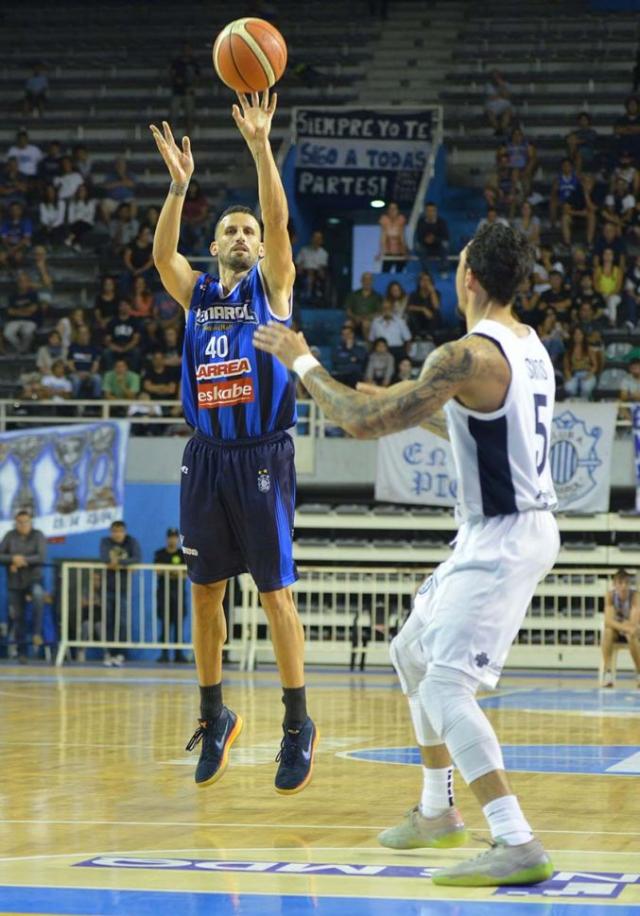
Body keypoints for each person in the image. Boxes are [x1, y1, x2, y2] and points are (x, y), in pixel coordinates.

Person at [254, 221, 560, 886]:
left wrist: (302, 360)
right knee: (410, 652)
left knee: (447, 684)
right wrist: (404, 406)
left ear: (469, 278)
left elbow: (359, 425)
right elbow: (480, 428)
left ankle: (515, 838)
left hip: (505, 535)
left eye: (456, 265)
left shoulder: (465, 355)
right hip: (499, 528)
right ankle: (436, 812)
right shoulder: (527, 346)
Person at [149, 90, 317, 795]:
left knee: (276, 595)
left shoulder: (270, 289)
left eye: (248, 229)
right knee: (204, 594)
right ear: (213, 245)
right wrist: (179, 187)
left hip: (262, 456)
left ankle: (296, 723)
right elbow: (161, 256)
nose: (245, 236)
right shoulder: (198, 294)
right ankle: (215, 715)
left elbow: (279, 222)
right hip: (206, 457)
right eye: (232, 231)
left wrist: (259, 146)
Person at [0, 511, 47, 663]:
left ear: (31, 522)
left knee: (39, 594)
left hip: (34, 579)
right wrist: (12, 558)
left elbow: (41, 556)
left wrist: (22, 560)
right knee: (18, 617)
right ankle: (22, 652)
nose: (22, 525)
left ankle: (37, 632)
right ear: (15, 523)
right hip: (14, 582)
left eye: (25, 522)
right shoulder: (9, 535)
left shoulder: (38, 535)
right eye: (19, 522)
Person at [99, 521, 142, 667]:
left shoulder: (131, 542)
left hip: (123, 589)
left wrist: (118, 563)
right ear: (111, 532)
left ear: (124, 531)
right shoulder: (105, 542)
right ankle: (109, 653)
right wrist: (126, 565)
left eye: (120, 531)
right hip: (108, 588)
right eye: (114, 531)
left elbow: (137, 558)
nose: (117, 534)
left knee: (122, 622)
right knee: (108, 621)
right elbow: (104, 558)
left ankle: (120, 653)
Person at [154, 528, 188, 664]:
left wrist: (170, 571)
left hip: (178, 593)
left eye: (175, 537)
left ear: (178, 539)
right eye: (170, 537)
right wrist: (175, 572)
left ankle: (179, 654)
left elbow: (186, 574)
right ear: (166, 538)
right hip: (163, 593)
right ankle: (164, 653)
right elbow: (158, 571)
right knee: (165, 624)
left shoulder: (183, 554)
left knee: (179, 623)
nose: (172, 540)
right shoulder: (160, 553)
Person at [601, 569, 640, 688]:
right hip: (619, 629)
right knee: (607, 632)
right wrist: (623, 626)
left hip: (632, 631)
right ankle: (608, 673)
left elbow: (633, 624)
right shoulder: (610, 596)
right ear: (614, 584)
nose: (623, 587)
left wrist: (622, 625)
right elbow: (608, 621)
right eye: (620, 583)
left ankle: (639, 672)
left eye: (626, 583)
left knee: (632, 635)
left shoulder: (635, 596)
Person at [4, 272, 41, 353]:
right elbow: (10, 311)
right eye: (21, 281)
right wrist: (25, 311)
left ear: (28, 282)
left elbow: (32, 310)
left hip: (31, 320)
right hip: (15, 320)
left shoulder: (33, 294)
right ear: (18, 283)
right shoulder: (13, 295)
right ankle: (22, 349)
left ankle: (22, 351)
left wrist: (17, 311)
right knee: (7, 333)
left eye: (25, 281)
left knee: (27, 332)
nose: (23, 283)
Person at [169, 43, 201, 135]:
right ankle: (171, 135)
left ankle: (189, 135)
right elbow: (171, 73)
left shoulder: (193, 63)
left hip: (189, 93)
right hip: (177, 92)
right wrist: (176, 80)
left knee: (190, 116)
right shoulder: (177, 62)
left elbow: (198, 77)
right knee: (173, 115)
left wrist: (193, 87)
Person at [369, 298, 412, 362]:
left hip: (397, 349)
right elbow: (371, 340)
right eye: (384, 308)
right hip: (381, 350)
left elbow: (408, 339)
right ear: (381, 309)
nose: (386, 310)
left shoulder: (400, 321)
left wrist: (406, 354)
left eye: (388, 308)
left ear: (392, 309)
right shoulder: (376, 322)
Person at [344, 272, 383, 340]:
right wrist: (355, 317)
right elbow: (348, 310)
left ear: (372, 281)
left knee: (366, 324)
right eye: (365, 279)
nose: (367, 282)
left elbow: (379, 312)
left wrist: (368, 317)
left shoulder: (377, 296)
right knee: (347, 324)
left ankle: (368, 346)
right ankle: (347, 347)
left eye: (369, 280)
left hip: (370, 321)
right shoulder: (353, 294)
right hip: (355, 319)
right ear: (361, 281)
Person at [414, 201, 450, 274]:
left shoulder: (441, 222)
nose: (430, 213)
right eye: (428, 211)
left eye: (432, 211)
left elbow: (446, 237)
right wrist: (426, 240)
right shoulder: (421, 222)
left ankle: (443, 270)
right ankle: (426, 271)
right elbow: (419, 236)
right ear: (425, 212)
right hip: (425, 246)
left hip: (438, 245)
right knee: (418, 247)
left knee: (445, 245)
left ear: (435, 211)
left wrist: (434, 239)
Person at [67, 325, 102, 398]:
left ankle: (96, 404)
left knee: (97, 378)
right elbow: (70, 364)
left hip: (90, 373)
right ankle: (74, 404)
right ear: (78, 335)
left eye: (85, 333)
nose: (83, 335)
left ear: (89, 335)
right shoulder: (72, 347)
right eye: (81, 333)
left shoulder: (94, 348)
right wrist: (77, 373)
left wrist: (89, 374)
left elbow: (96, 364)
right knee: (76, 381)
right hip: (75, 373)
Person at [563, 325, 597, 400]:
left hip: (587, 373)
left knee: (586, 388)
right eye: (576, 334)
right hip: (574, 375)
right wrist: (568, 376)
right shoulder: (569, 351)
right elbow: (566, 367)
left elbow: (595, 365)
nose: (577, 336)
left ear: (583, 336)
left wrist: (589, 375)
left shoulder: (589, 350)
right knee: (569, 388)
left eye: (580, 334)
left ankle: (586, 402)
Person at [295, 230, 329, 304]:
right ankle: (304, 294)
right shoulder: (304, 250)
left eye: (318, 238)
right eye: (315, 238)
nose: (316, 240)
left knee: (317, 274)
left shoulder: (324, 253)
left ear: (321, 241)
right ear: (311, 239)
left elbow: (322, 267)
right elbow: (298, 263)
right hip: (304, 272)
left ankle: (311, 295)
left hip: (317, 273)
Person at [332, 322, 368, 388]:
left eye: (348, 334)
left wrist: (350, 349)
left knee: (355, 378)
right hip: (341, 374)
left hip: (355, 375)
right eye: (343, 334)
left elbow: (361, 358)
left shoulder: (360, 346)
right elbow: (336, 359)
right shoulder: (337, 346)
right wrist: (350, 358)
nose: (346, 336)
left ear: (352, 334)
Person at [64, 183, 97, 251]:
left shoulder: (91, 202)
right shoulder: (73, 202)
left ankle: (70, 238)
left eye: (83, 190)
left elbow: (90, 215)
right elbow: (71, 216)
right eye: (80, 190)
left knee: (81, 224)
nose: (82, 192)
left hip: (87, 223)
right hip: (75, 222)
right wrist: (76, 220)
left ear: (87, 192)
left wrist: (81, 219)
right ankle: (77, 244)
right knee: (78, 225)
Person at [378, 202, 408, 272]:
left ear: (398, 210)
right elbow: (383, 236)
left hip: (400, 250)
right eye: (390, 209)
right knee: (385, 272)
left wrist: (404, 252)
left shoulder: (401, 219)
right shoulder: (384, 219)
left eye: (394, 209)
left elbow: (402, 236)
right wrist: (381, 252)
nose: (392, 211)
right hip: (388, 250)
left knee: (399, 272)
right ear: (388, 210)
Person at [484, 69, 514, 135]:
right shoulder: (488, 85)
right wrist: (501, 95)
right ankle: (497, 129)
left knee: (508, 111)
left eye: (497, 76)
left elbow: (507, 96)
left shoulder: (506, 84)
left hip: (504, 104)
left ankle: (502, 129)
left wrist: (501, 86)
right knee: (490, 113)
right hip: (492, 105)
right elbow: (491, 97)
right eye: (494, 76)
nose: (495, 78)